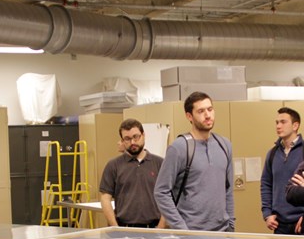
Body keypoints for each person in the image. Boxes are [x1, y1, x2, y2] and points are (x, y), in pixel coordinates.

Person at [154, 91, 235, 231]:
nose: (208, 115)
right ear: (189, 116)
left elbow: (228, 190)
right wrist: (182, 229)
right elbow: (161, 192)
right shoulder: (179, 148)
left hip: (222, 232)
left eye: (210, 109)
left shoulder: (224, 145)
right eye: (201, 111)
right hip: (191, 234)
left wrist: (231, 225)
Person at [99, 118, 163, 228]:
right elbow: (105, 198)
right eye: (127, 139)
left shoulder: (160, 163)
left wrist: (161, 228)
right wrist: (115, 228)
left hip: (155, 230)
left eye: (136, 137)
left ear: (143, 135)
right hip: (124, 230)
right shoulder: (113, 166)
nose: (132, 142)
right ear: (122, 141)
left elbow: (170, 197)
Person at [260, 107, 304, 234]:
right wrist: (267, 214)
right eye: (277, 122)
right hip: (279, 223)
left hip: (302, 222)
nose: (278, 126)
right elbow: (266, 184)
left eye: (283, 122)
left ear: (295, 125)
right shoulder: (272, 153)